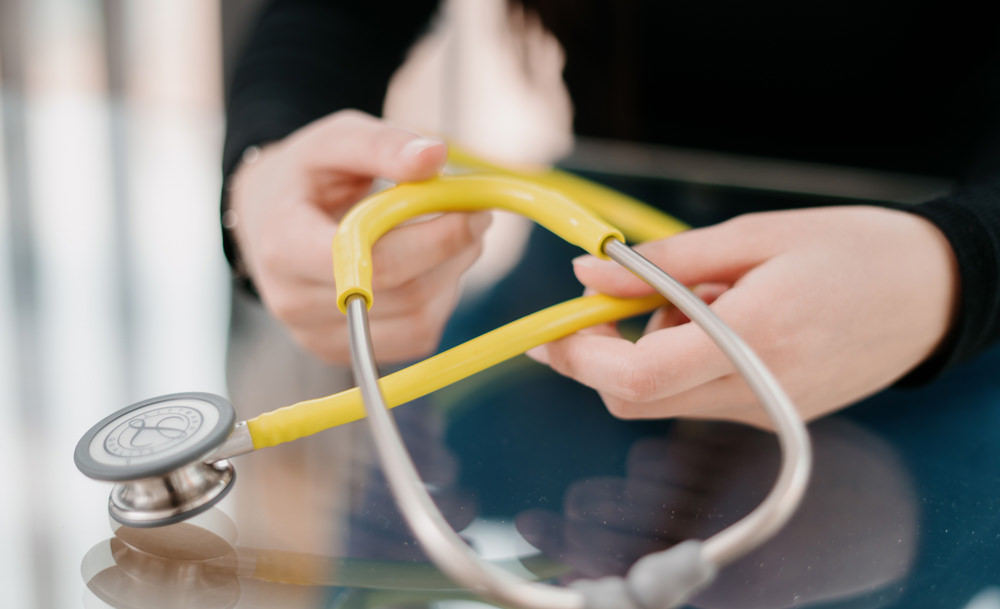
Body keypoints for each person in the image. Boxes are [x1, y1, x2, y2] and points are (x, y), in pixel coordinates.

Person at [221, 0, 1000, 429]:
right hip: (581, 287)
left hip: (935, 313)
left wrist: (958, 265)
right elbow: (333, 19)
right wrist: (270, 162)